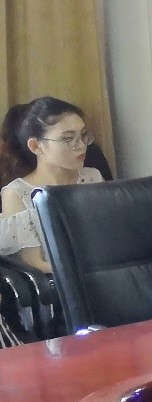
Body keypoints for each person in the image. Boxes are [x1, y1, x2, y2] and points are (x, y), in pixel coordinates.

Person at [0, 97, 105, 273]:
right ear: (36, 146)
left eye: (83, 135)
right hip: (58, 281)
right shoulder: (17, 193)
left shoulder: (92, 177)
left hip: (103, 272)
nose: (81, 145)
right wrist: (82, 272)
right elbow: (34, 264)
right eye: (68, 139)